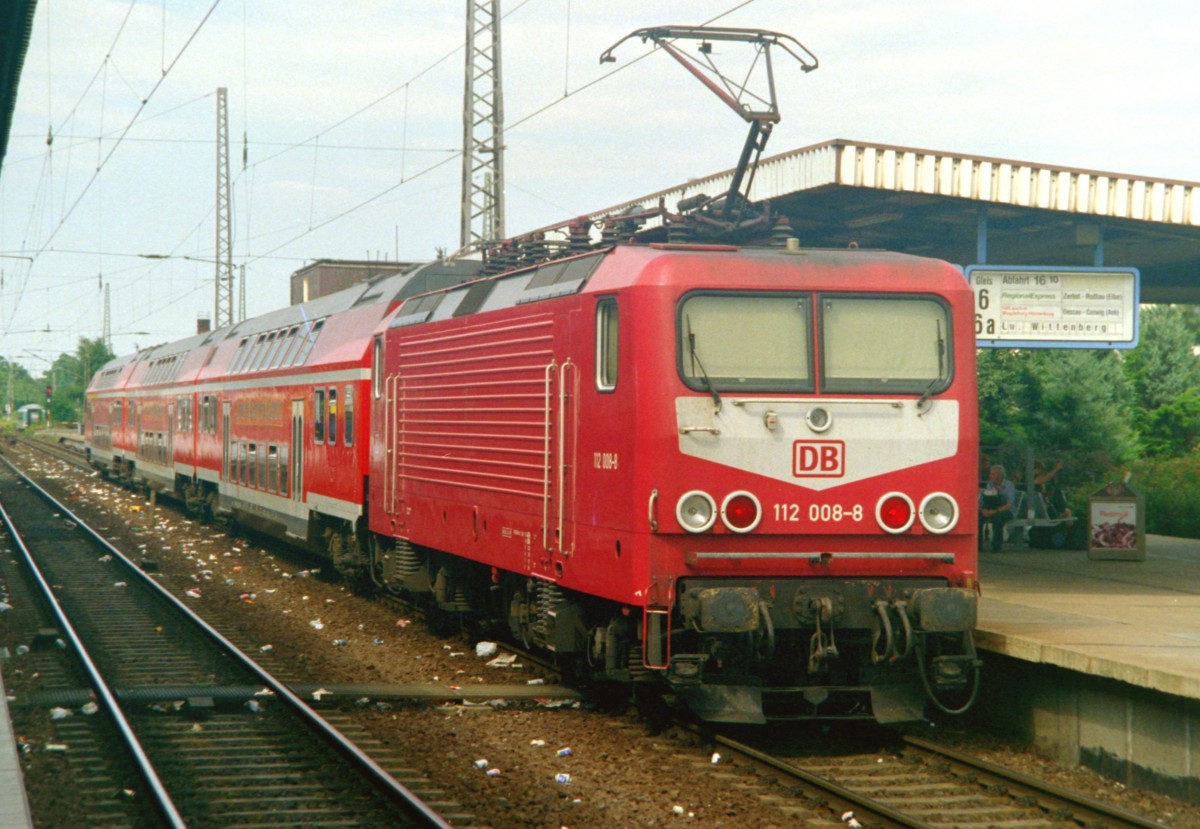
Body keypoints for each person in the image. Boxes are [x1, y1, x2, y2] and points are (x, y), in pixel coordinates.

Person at [979, 464, 1016, 552]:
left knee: (998, 518)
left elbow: (1009, 504)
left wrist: (996, 511)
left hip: (1006, 510)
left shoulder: (1009, 485)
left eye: (992, 474)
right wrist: (984, 510)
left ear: (1000, 475)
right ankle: (978, 546)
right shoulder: (990, 484)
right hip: (992, 508)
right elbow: (987, 498)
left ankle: (996, 546)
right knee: (978, 518)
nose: (990, 476)